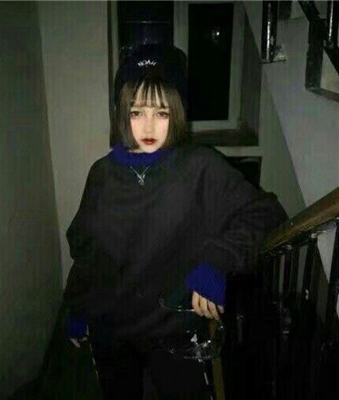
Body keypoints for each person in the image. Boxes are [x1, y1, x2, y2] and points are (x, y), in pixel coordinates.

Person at [63, 44, 287, 399]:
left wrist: (217, 261)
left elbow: (265, 211)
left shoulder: (199, 167)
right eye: (137, 112)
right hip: (110, 328)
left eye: (161, 112)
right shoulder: (102, 175)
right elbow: (88, 251)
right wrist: (77, 310)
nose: (149, 126)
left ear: (177, 113)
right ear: (122, 113)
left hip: (173, 331)